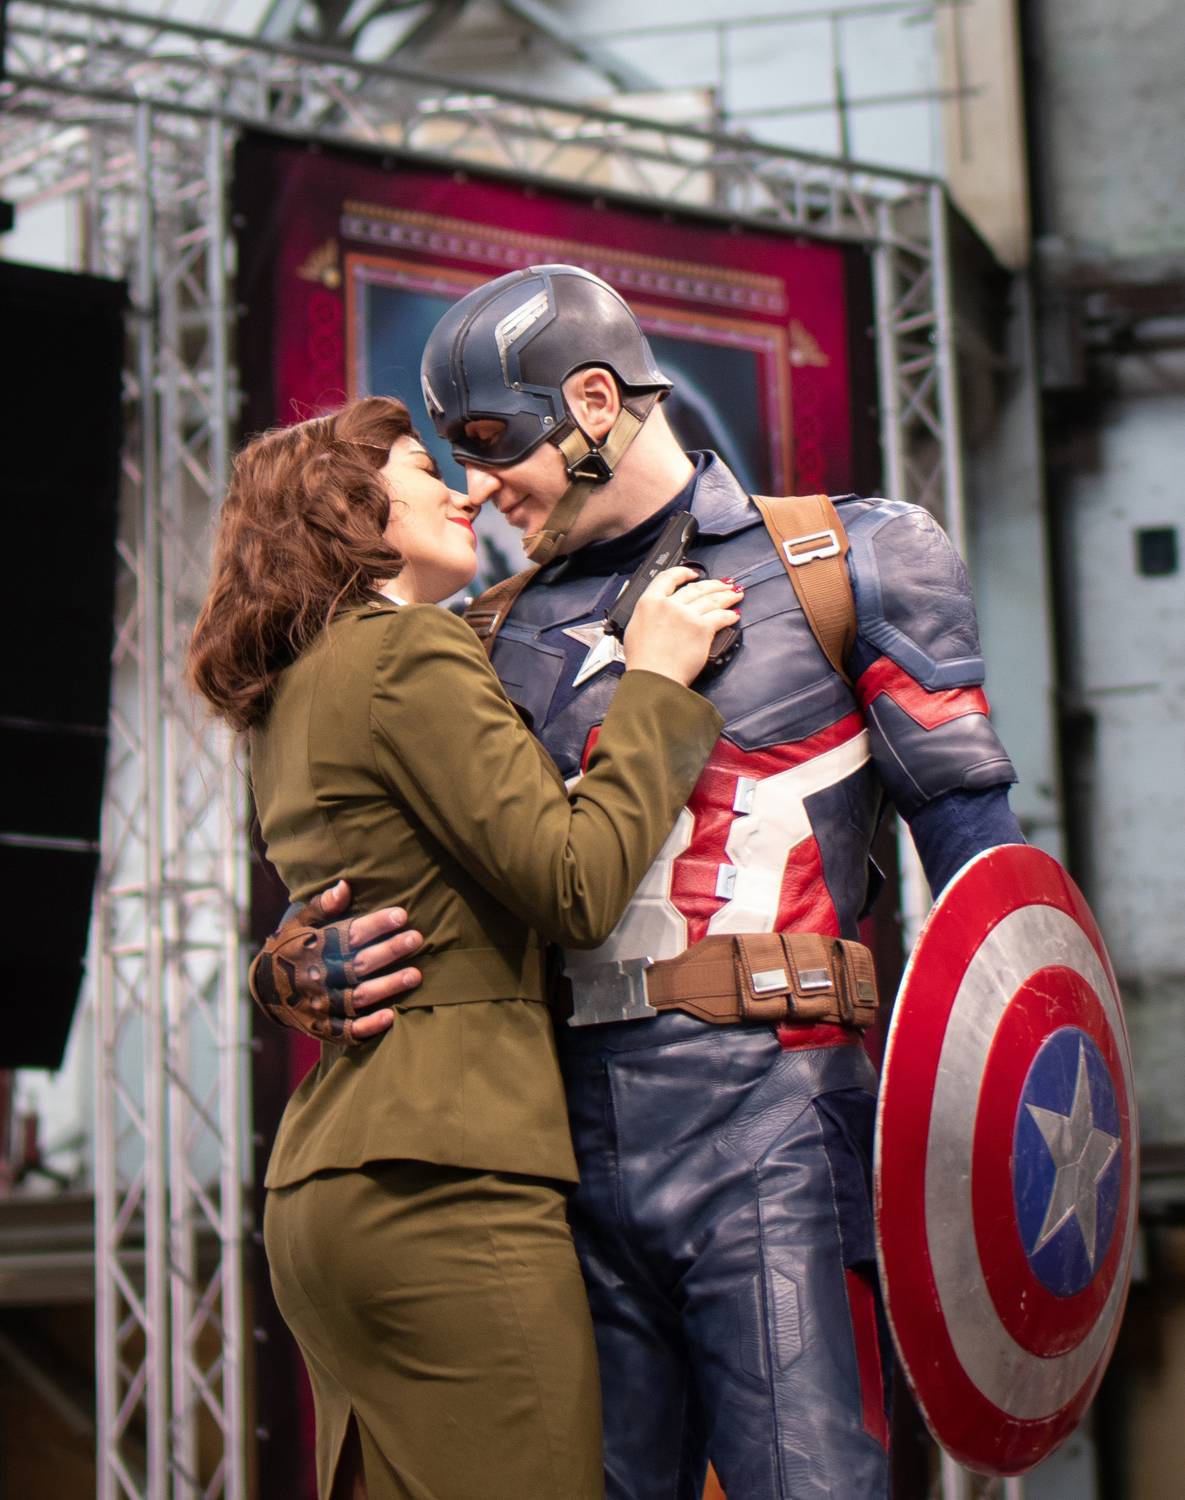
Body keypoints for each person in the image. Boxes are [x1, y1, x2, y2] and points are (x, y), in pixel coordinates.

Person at [251, 267, 1026, 1500]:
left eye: (493, 440)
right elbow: (402, 857)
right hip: (559, 1145)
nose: (478, 486)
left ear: (596, 402)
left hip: (777, 1120)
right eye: (454, 454)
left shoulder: (848, 558)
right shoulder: (480, 631)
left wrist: (1016, 1121)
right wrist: (295, 959)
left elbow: (988, 877)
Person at [186, 392, 742, 1500]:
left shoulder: (294, 693)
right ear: (346, 504)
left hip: (334, 1190)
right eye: (417, 465)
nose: (462, 492)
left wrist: (274, 968)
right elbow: (574, 882)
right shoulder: (406, 650)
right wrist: (655, 682)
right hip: (450, 1181)